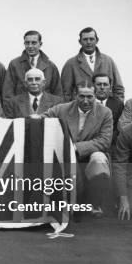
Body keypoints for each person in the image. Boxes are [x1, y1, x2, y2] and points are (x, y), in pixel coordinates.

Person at [41, 82, 113, 215]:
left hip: (89, 155)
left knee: (99, 159)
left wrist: (75, 147)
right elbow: (43, 119)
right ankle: (61, 204)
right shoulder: (61, 109)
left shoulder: (105, 113)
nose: (85, 101)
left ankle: (94, 204)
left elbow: (104, 141)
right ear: (75, 95)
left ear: (96, 95)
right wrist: (35, 119)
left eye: (90, 97)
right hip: (65, 156)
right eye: (81, 96)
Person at [61, 27, 124, 102]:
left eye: (91, 39)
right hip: (81, 108)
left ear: (97, 40)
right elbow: (65, 92)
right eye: (85, 39)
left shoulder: (108, 61)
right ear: (79, 42)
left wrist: (117, 106)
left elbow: (118, 88)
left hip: (106, 109)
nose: (88, 42)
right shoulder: (71, 63)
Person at [2, 30, 62, 101]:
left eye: (34, 43)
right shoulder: (14, 64)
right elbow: (8, 93)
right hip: (21, 109)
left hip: (45, 109)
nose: (30, 46)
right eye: (27, 43)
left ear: (40, 44)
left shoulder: (50, 66)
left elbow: (58, 94)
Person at [93, 73, 124, 145]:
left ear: (110, 87)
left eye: (105, 84)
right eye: (99, 84)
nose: (102, 87)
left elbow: (118, 129)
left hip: (110, 143)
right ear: (93, 86)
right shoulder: (87, 103)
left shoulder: (118, 104)